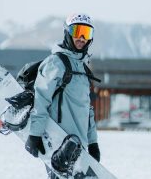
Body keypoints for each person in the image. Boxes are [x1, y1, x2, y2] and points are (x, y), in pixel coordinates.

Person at [24, 13, 100, 178]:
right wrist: (34, 134)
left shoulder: (84, 70)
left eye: (86, 33)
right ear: (67, 32)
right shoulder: (56, 63)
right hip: (57, 141)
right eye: (77, 31)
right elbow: (41, 99)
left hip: (79, 146)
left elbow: (88, 110)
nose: (81, 38)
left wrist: (93, 142)